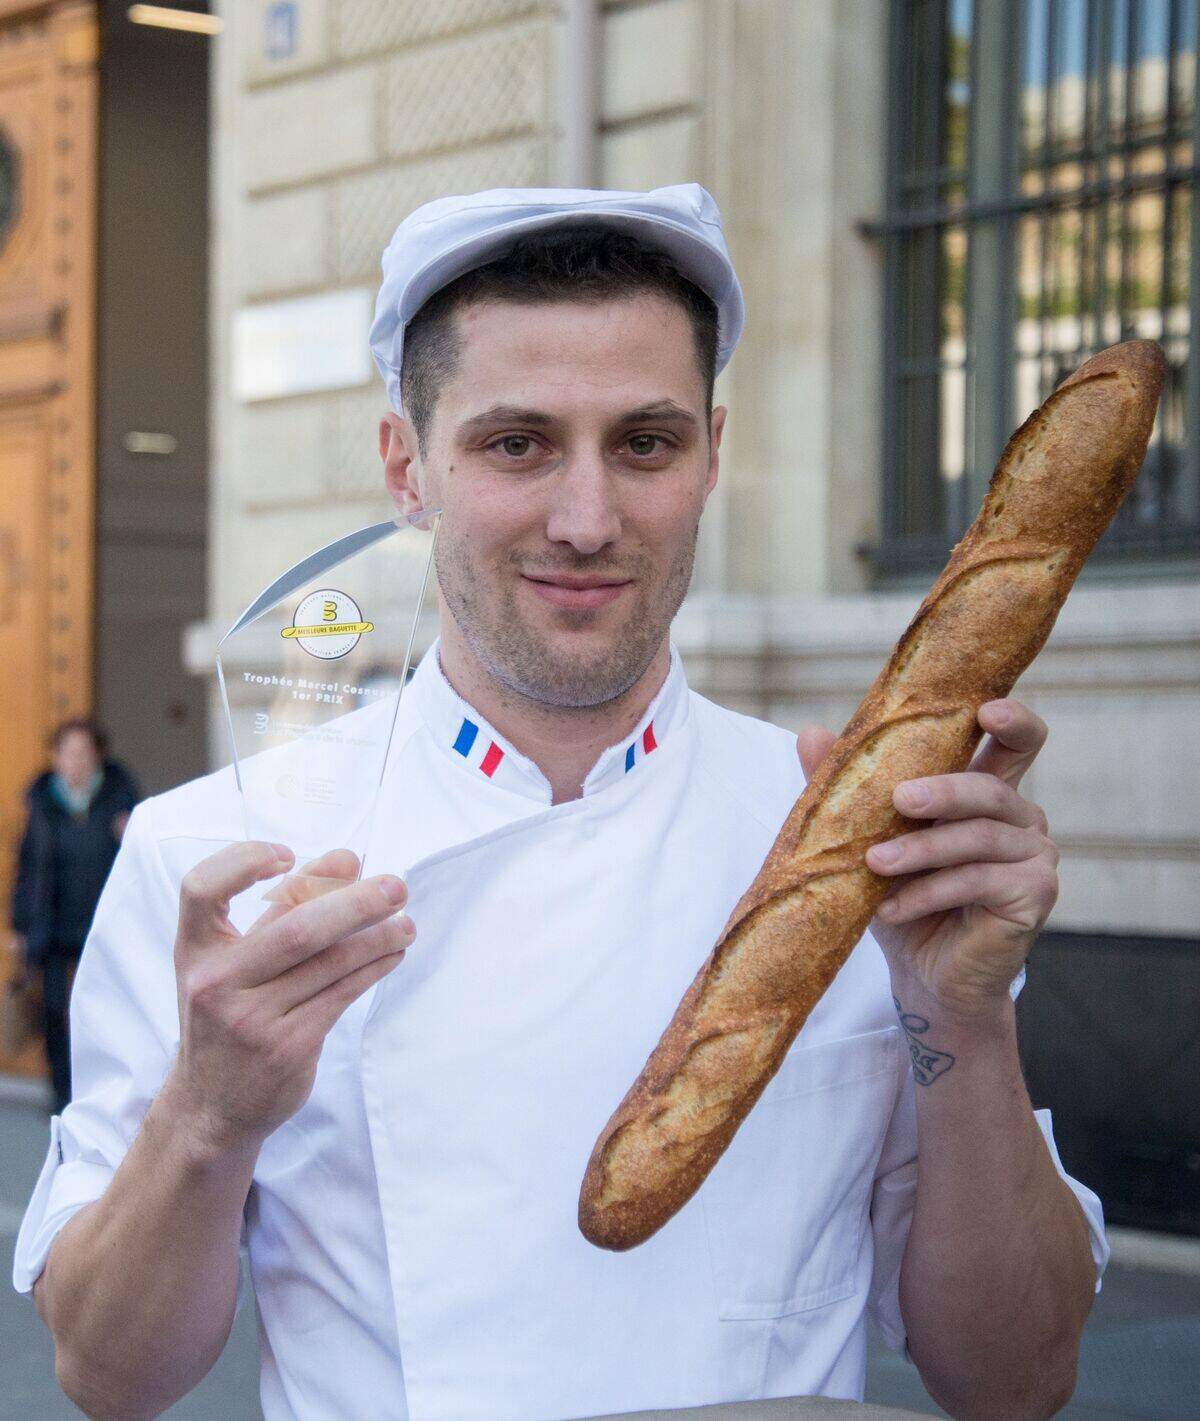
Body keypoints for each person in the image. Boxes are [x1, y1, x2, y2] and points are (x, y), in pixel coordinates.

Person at [14, 186, 1107, 1421]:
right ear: (406, 466)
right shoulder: (210, 851)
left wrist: (959, 1016)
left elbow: (1017, 1383)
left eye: (645, 442)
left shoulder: (872, 844)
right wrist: (207, 1118)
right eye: (516, 443)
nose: (587, 520)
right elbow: (107, 1375)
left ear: (711, 456)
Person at [7, 719, 140, 1114]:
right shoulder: (42, 804)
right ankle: (62, 1098)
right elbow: (27, 867)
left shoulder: (121, 801)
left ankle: (101, 1094)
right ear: (56, 757)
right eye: (67, 752)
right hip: (52, 926)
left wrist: (131, 834)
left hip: (103, 925)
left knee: (103, 1011)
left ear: (98, 754)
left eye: (83, 752)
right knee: (53, 1012)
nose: (75, 761)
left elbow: (140, 861)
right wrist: (19, 924)